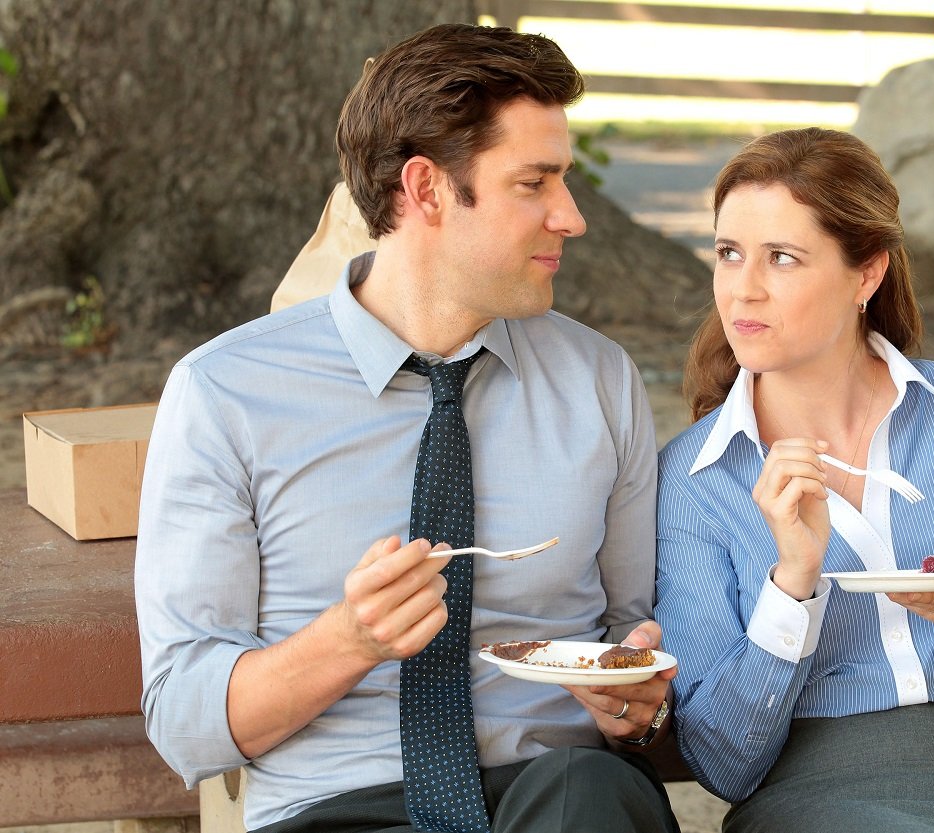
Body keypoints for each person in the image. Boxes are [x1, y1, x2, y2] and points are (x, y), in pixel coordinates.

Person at [135, 24, 678, 833]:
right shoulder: (226, 394)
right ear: (425, 190)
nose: (571, 216)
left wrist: (631, 701)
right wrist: (348, 640)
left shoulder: (599, 381)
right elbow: (184, 723)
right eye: (534, 183)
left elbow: (629, 640)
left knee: (590, 796)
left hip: (559, 797)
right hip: (338, 809)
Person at [654, 128, 934, 832]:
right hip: (813, 789)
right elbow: (721, 762)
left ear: (866, 274)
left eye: (782, 257)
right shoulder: (695, 476)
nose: (742, 287)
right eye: (728, 253)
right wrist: (792, 586)